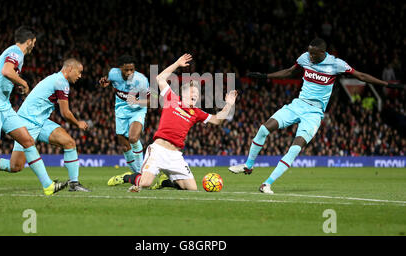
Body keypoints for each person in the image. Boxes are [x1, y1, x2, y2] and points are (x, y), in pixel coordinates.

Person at [229, 38, 405, 194]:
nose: (310, 56)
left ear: (323, 52)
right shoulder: (305, 58)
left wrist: (387, 84)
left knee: (295, 148)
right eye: (309, 53)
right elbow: (290, 72)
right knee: (263, 128)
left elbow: (361, 75)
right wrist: (265, 76)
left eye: (313, 54)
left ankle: (267, 184)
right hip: (298, 104)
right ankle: (248, 165)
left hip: (314, 113)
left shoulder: (336, 64)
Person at [0, 26, 67, 195]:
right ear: (29, 41)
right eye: (34, 43)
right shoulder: (16, 52)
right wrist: (23, 83)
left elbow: (0, 79)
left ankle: (48, 186)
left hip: (3, 107)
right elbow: (6, 71)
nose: (33, 47)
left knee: (28, 141)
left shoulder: (14, 54)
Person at [108, 54, 238, 192]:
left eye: (198, 94)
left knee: (192, 189)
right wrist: (177, 63)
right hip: (158, 151)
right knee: (145, 184)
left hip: (175, 155)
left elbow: (217, 120)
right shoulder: (172, 99)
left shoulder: (196, 112)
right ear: (185, 93)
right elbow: (160, 78)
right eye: (194, 92)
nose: (196, 96)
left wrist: (228, 105)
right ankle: (129, 177)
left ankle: (165, 182)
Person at [0, 59, 91, 192]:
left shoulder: (55, 79)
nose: (80, 75)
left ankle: (74, 184)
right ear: (70, 68)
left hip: (41, 122)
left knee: (69, 143)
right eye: (79, 72)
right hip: (26, 123)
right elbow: (65, 113)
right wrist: (78, 123)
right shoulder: (61, 82)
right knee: (15, 166)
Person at [99, 55, 150, 173]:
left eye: (132, 69)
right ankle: (136, 173)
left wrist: (138, 101)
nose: (129, 72)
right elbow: (107, 80)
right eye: (126, 70)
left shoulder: (141, 80)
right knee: (125, 147)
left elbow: (152, 100)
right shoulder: (113, 73)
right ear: (120, 68)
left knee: (133, 138)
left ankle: (141, 173)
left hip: (137, 110)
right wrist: (105, 83)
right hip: (120, 110)